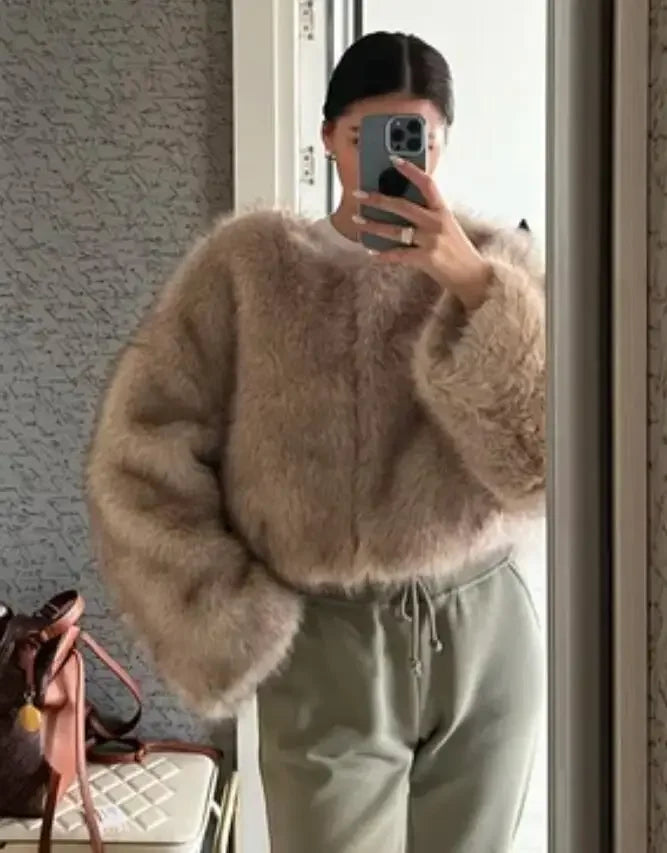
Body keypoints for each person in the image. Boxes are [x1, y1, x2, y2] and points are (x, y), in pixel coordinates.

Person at [86, 31, 545, 853]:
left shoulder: (495, 269)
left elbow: (547, 467)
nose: (393, 159)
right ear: (330, 135)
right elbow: (141, 451)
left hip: (483, 633)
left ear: (442, 144)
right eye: (370, 134)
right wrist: (224, 614)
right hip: (327, 648)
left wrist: (472, 287)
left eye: (418, 137)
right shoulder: (249, 270)